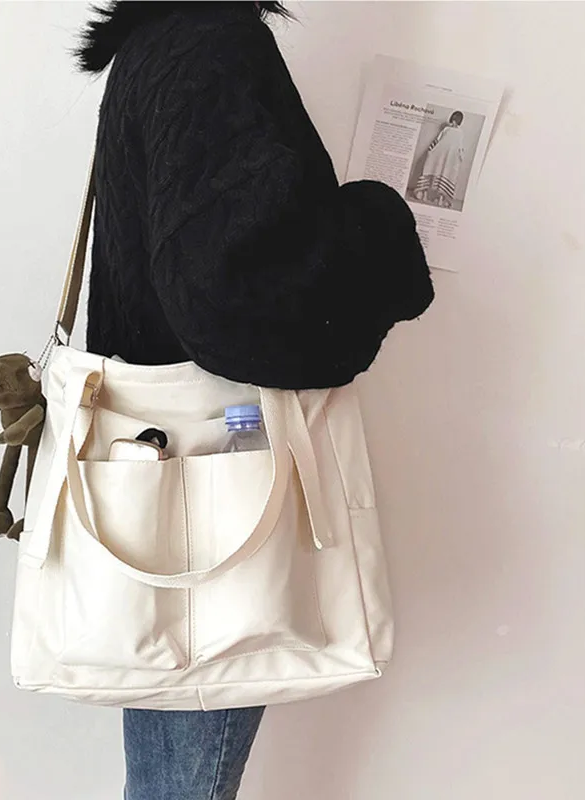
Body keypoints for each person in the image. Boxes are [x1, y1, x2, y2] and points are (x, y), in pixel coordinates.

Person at [75, 2, 435, 797]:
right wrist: (378, 223)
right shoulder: (212, 42)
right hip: (214, 480)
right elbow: (236, 293)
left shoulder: (162, 40)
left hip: (167, 473)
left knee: (172, 757)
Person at [413, 111, 466, 208]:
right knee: (431, 170)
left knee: (446, 174)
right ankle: (424, 194)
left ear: (458, 121)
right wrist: (430, 150)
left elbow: (460, 147)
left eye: (455, 120)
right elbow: (437, 140)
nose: (453, 122)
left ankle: (441, 199)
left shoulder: (460, 133)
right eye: (452, 120)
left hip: (450, 158)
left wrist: (460, 157)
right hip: (438, 155)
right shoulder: (446, 129)